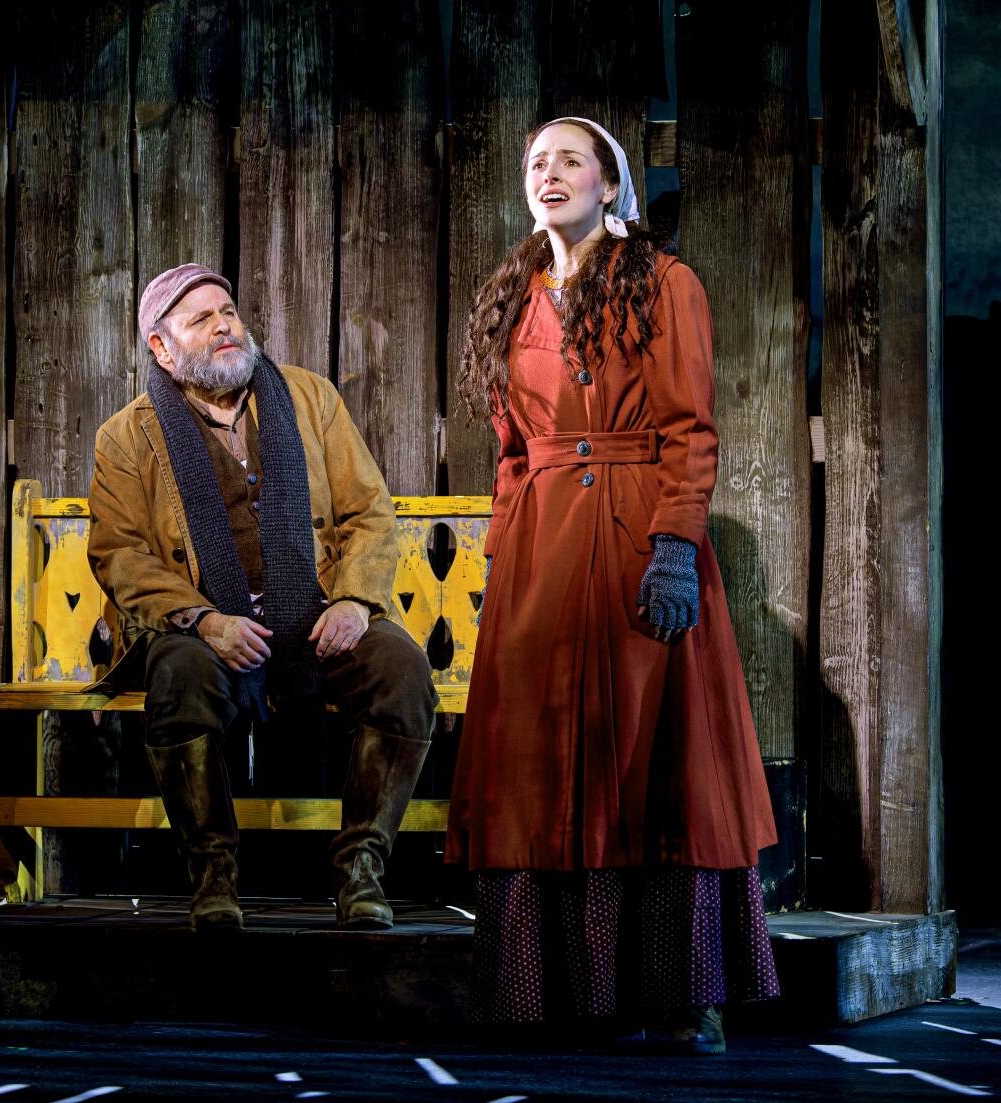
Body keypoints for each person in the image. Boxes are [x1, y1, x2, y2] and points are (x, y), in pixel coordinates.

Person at [446, 118, 780, 1052]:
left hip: (638, 533)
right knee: (541, 766)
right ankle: (549, 994)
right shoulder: (516, 297)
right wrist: (508, 552)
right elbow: (512, 453)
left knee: (653, 759)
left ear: (609, 184)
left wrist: (674, 544)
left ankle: (679, 997)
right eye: (534, 163)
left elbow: (689, 428)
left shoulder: (664, 283)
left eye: (568, 161)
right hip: (547, 548)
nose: (547, 175)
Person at [88, 263, 435, 931]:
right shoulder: (126, 437)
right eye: (200, 320)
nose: (224, 325)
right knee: (179, 674)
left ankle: (361, 868)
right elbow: (119, 552)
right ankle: (213, 874)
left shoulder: (310, 399)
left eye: (228, 312)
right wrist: (204, 618)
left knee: (401, 669)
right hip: (201, 625)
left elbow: (370, 511)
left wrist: (356, 600)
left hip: (314, 612)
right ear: (161, 348)